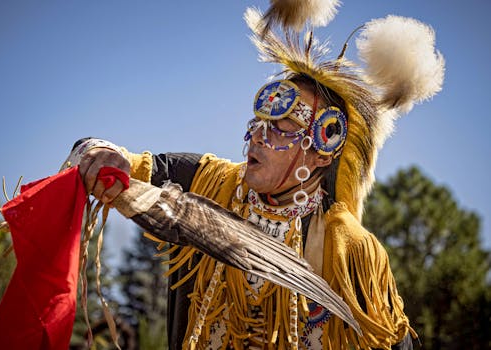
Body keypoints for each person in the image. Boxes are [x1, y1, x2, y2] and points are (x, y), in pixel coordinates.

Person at [63, 4, 444, 350]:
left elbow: (391, 341)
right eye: (259, 122)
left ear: (320, 150)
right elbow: (126, 162)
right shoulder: (208, 181)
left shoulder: (348, 249)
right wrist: (99, 153)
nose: (259, 135)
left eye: (281, 127)